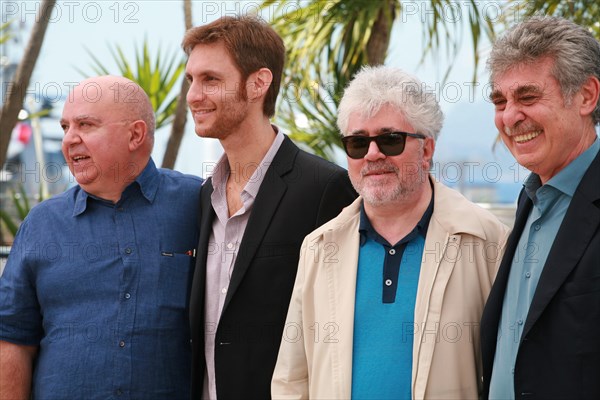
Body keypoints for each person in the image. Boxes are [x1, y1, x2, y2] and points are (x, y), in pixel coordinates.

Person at [271, 65, 510, 399]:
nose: (372, 154)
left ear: (427, 150)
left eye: (390, 139)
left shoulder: (486, 240)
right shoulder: (320, 247)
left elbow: (509, 374)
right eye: (357, 142)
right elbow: (291, 379)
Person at [182, 15, 357, 400]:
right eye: (191, 79)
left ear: (259, 83)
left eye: (210, 79)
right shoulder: (202, 197)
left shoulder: (325, 188)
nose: (193, 95)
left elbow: (340, 329)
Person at [0, 76, 202, 399]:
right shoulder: (42, 224)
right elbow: (12, 338)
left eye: (85, 125)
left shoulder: (199, 204)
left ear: (135, 134)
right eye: (66, 127)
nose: (69, 140)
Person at [480, 16, 600, 399]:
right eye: (500, 101)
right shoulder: (529, 200)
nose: (510, 117)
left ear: (586, 96)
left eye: (528, 97)